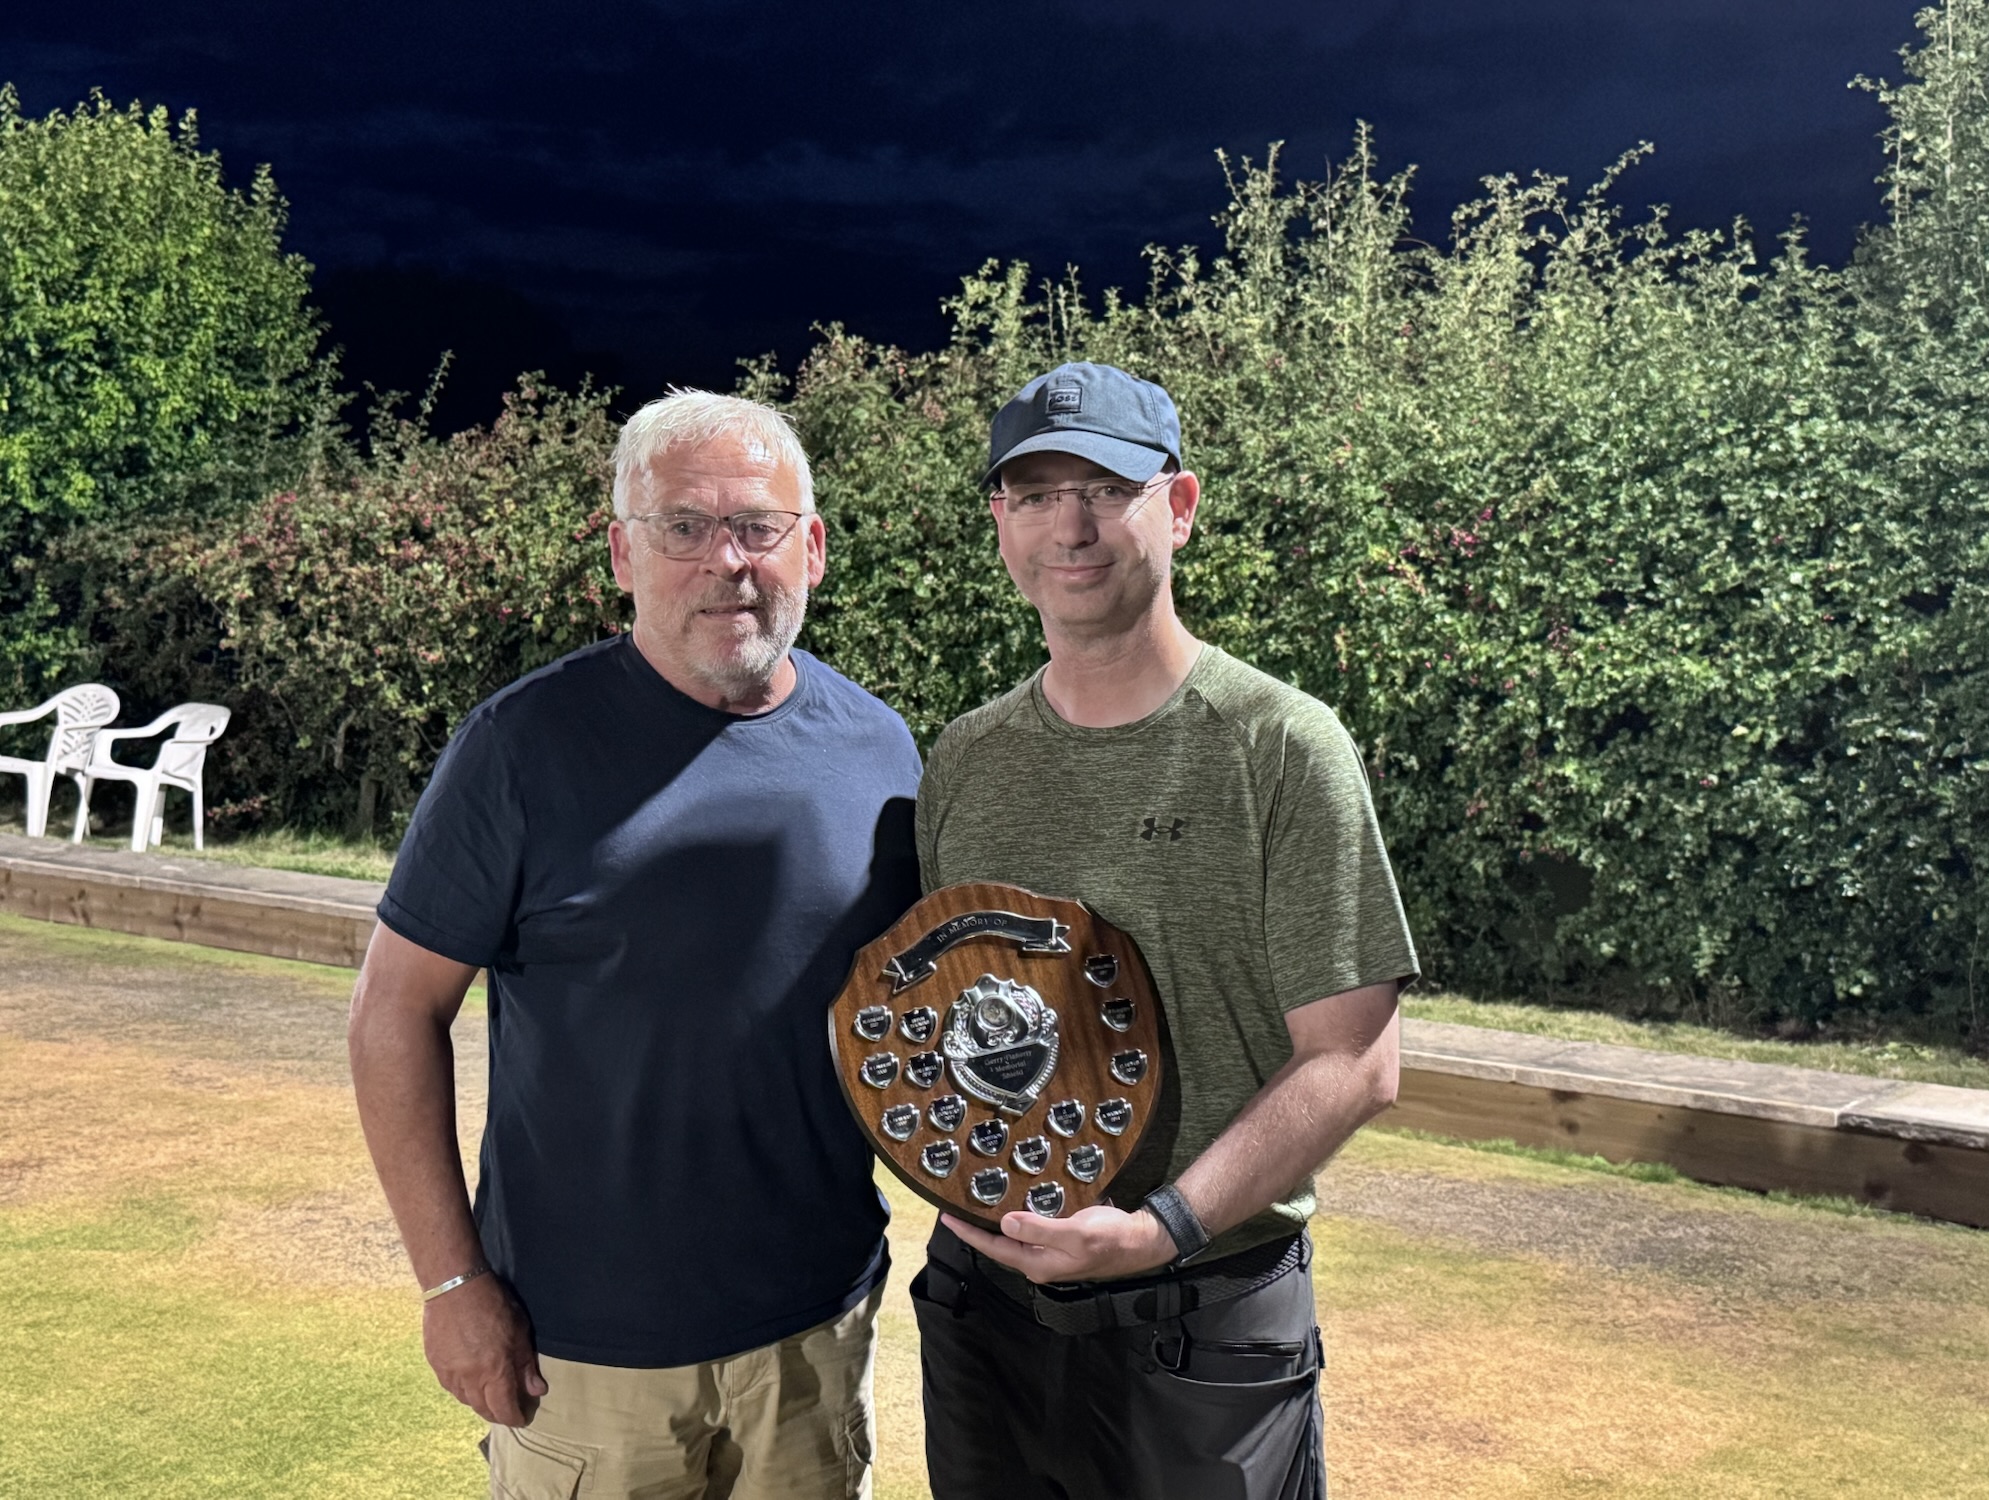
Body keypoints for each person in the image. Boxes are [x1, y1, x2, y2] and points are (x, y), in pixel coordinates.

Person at [348, 390, 921, 1500]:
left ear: (811, 549)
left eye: (757, 526)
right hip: (582, 1352)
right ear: (622, 552)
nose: (727, 561)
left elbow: (917, 1007)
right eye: (683, 527)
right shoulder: (520, 748)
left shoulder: (881, 753)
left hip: (812, 1331)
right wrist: (449, 1282)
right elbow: (393, 1011)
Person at [911, 362, 1419, 1500]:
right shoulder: (963, 761)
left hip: (1205, 1317)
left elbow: (1352, 1061)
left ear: (1177, 506)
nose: (1068, 525)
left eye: (1104, 486)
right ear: (1000, 522)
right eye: (1033, 494)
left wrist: (1159, 1228)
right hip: (984, 1306)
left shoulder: (1279, 748)